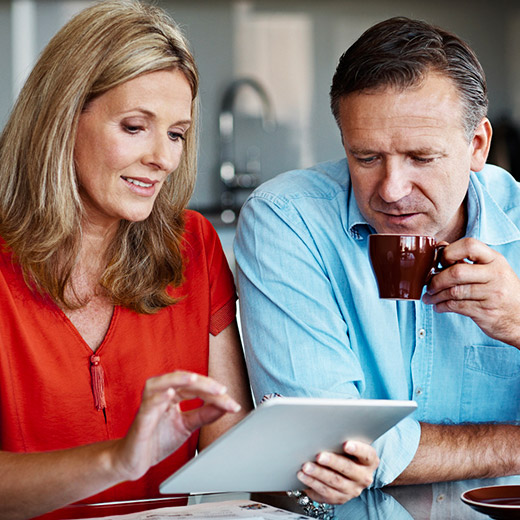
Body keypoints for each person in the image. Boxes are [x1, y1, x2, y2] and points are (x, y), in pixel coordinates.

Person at [235, 14, 520, 503]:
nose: (391, 190)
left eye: (421, 158)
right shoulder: (287, 219)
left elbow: (363, 451)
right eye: (366, 158)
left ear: (477, 146)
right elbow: (322, 441)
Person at [0, 1, 254, 518]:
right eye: (135, 127)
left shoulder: (193, 245)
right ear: (62, 118)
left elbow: (236, 458)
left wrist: (312, 476)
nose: (163, 157)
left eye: (177, 133)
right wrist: (117, 460)